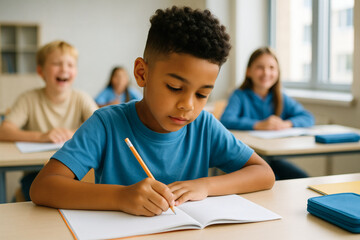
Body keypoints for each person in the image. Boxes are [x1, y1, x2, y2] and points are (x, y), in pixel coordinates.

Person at [30, 6, 275, 217]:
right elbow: (43, 187)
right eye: (174, 87)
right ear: (142, 73)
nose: (188, 105)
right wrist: (121, 197)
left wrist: (206, 185)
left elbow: (264, 173)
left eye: (202, 94)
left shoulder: (203, 126)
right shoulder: (106, 124)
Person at [0, 40, 98, 200]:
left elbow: (100, 128)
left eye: (70, 65)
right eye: (57, 64)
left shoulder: (82, 98)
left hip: (75, 171)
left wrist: (72, 133)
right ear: (41, 71)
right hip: (36, 174)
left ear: (76, 71)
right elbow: (3, 131)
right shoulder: (28, 99)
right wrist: (41, 137)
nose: (64, 69)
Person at [220, 47, 315, 180]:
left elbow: (308, 117)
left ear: (278, 73)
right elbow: (226, 120)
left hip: (272, 159)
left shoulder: (281, 97)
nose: (266, 72)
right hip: (245, 159)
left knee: (303, 178)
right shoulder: (239, 95)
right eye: (260, 67)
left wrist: (286, 124)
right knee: (271, 180)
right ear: (248, 71)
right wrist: (258, 125)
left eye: (271, 68)